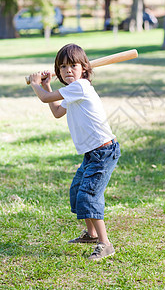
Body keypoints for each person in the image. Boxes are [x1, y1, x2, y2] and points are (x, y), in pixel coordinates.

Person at [29, 43, 121, 261]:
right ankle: (91, 234)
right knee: (78, 191)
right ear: (58, 71)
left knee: (88, 196)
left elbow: (43, 98)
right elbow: (57, 112)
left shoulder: (81, 87)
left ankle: (105, 244)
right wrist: (48, 87)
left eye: (73, 65)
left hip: (103, 152)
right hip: (92, 153)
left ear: (84, 68)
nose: (68, 70)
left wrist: (36, 85)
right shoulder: (73, 91)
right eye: (62, 67)